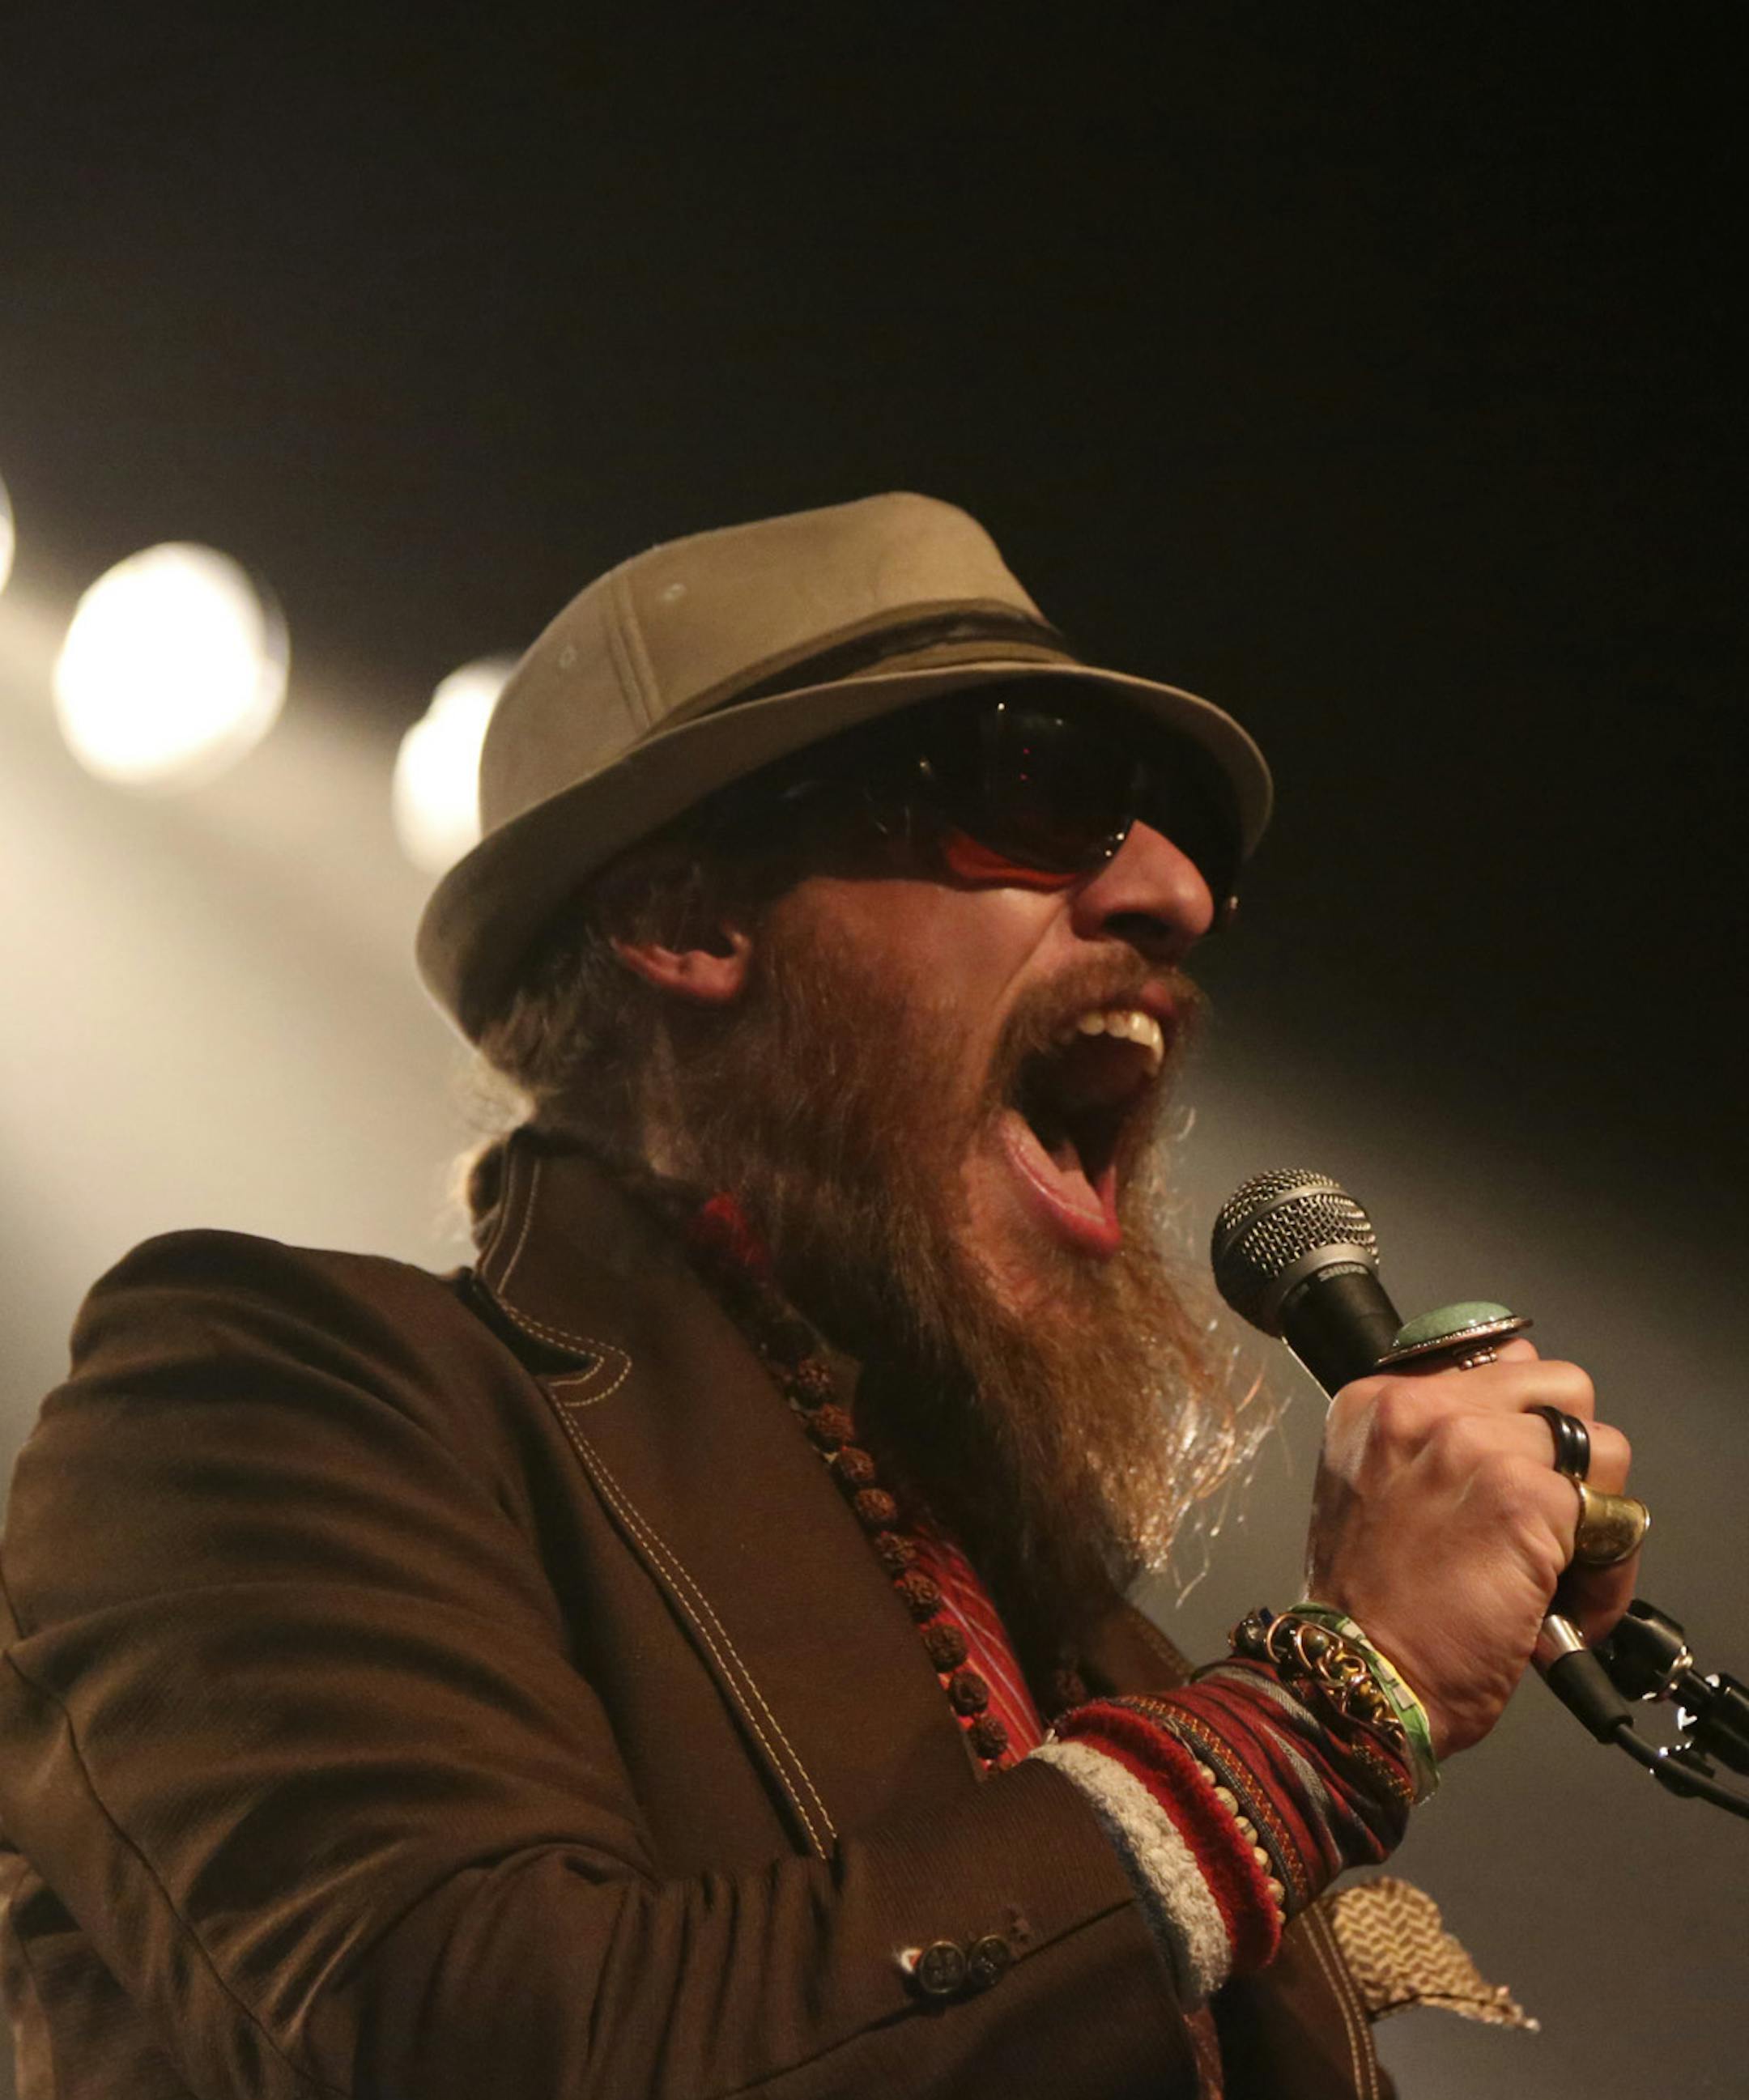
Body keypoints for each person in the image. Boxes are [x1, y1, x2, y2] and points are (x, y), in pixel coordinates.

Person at [0, 493, 1640, 2098]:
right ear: (685, 912)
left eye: (1174, 833)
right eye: (1036, 788)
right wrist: (1325, 1712)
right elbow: (483, 2042)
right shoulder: (266, 1394)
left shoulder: (1088, 1646)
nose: (1176, 896)